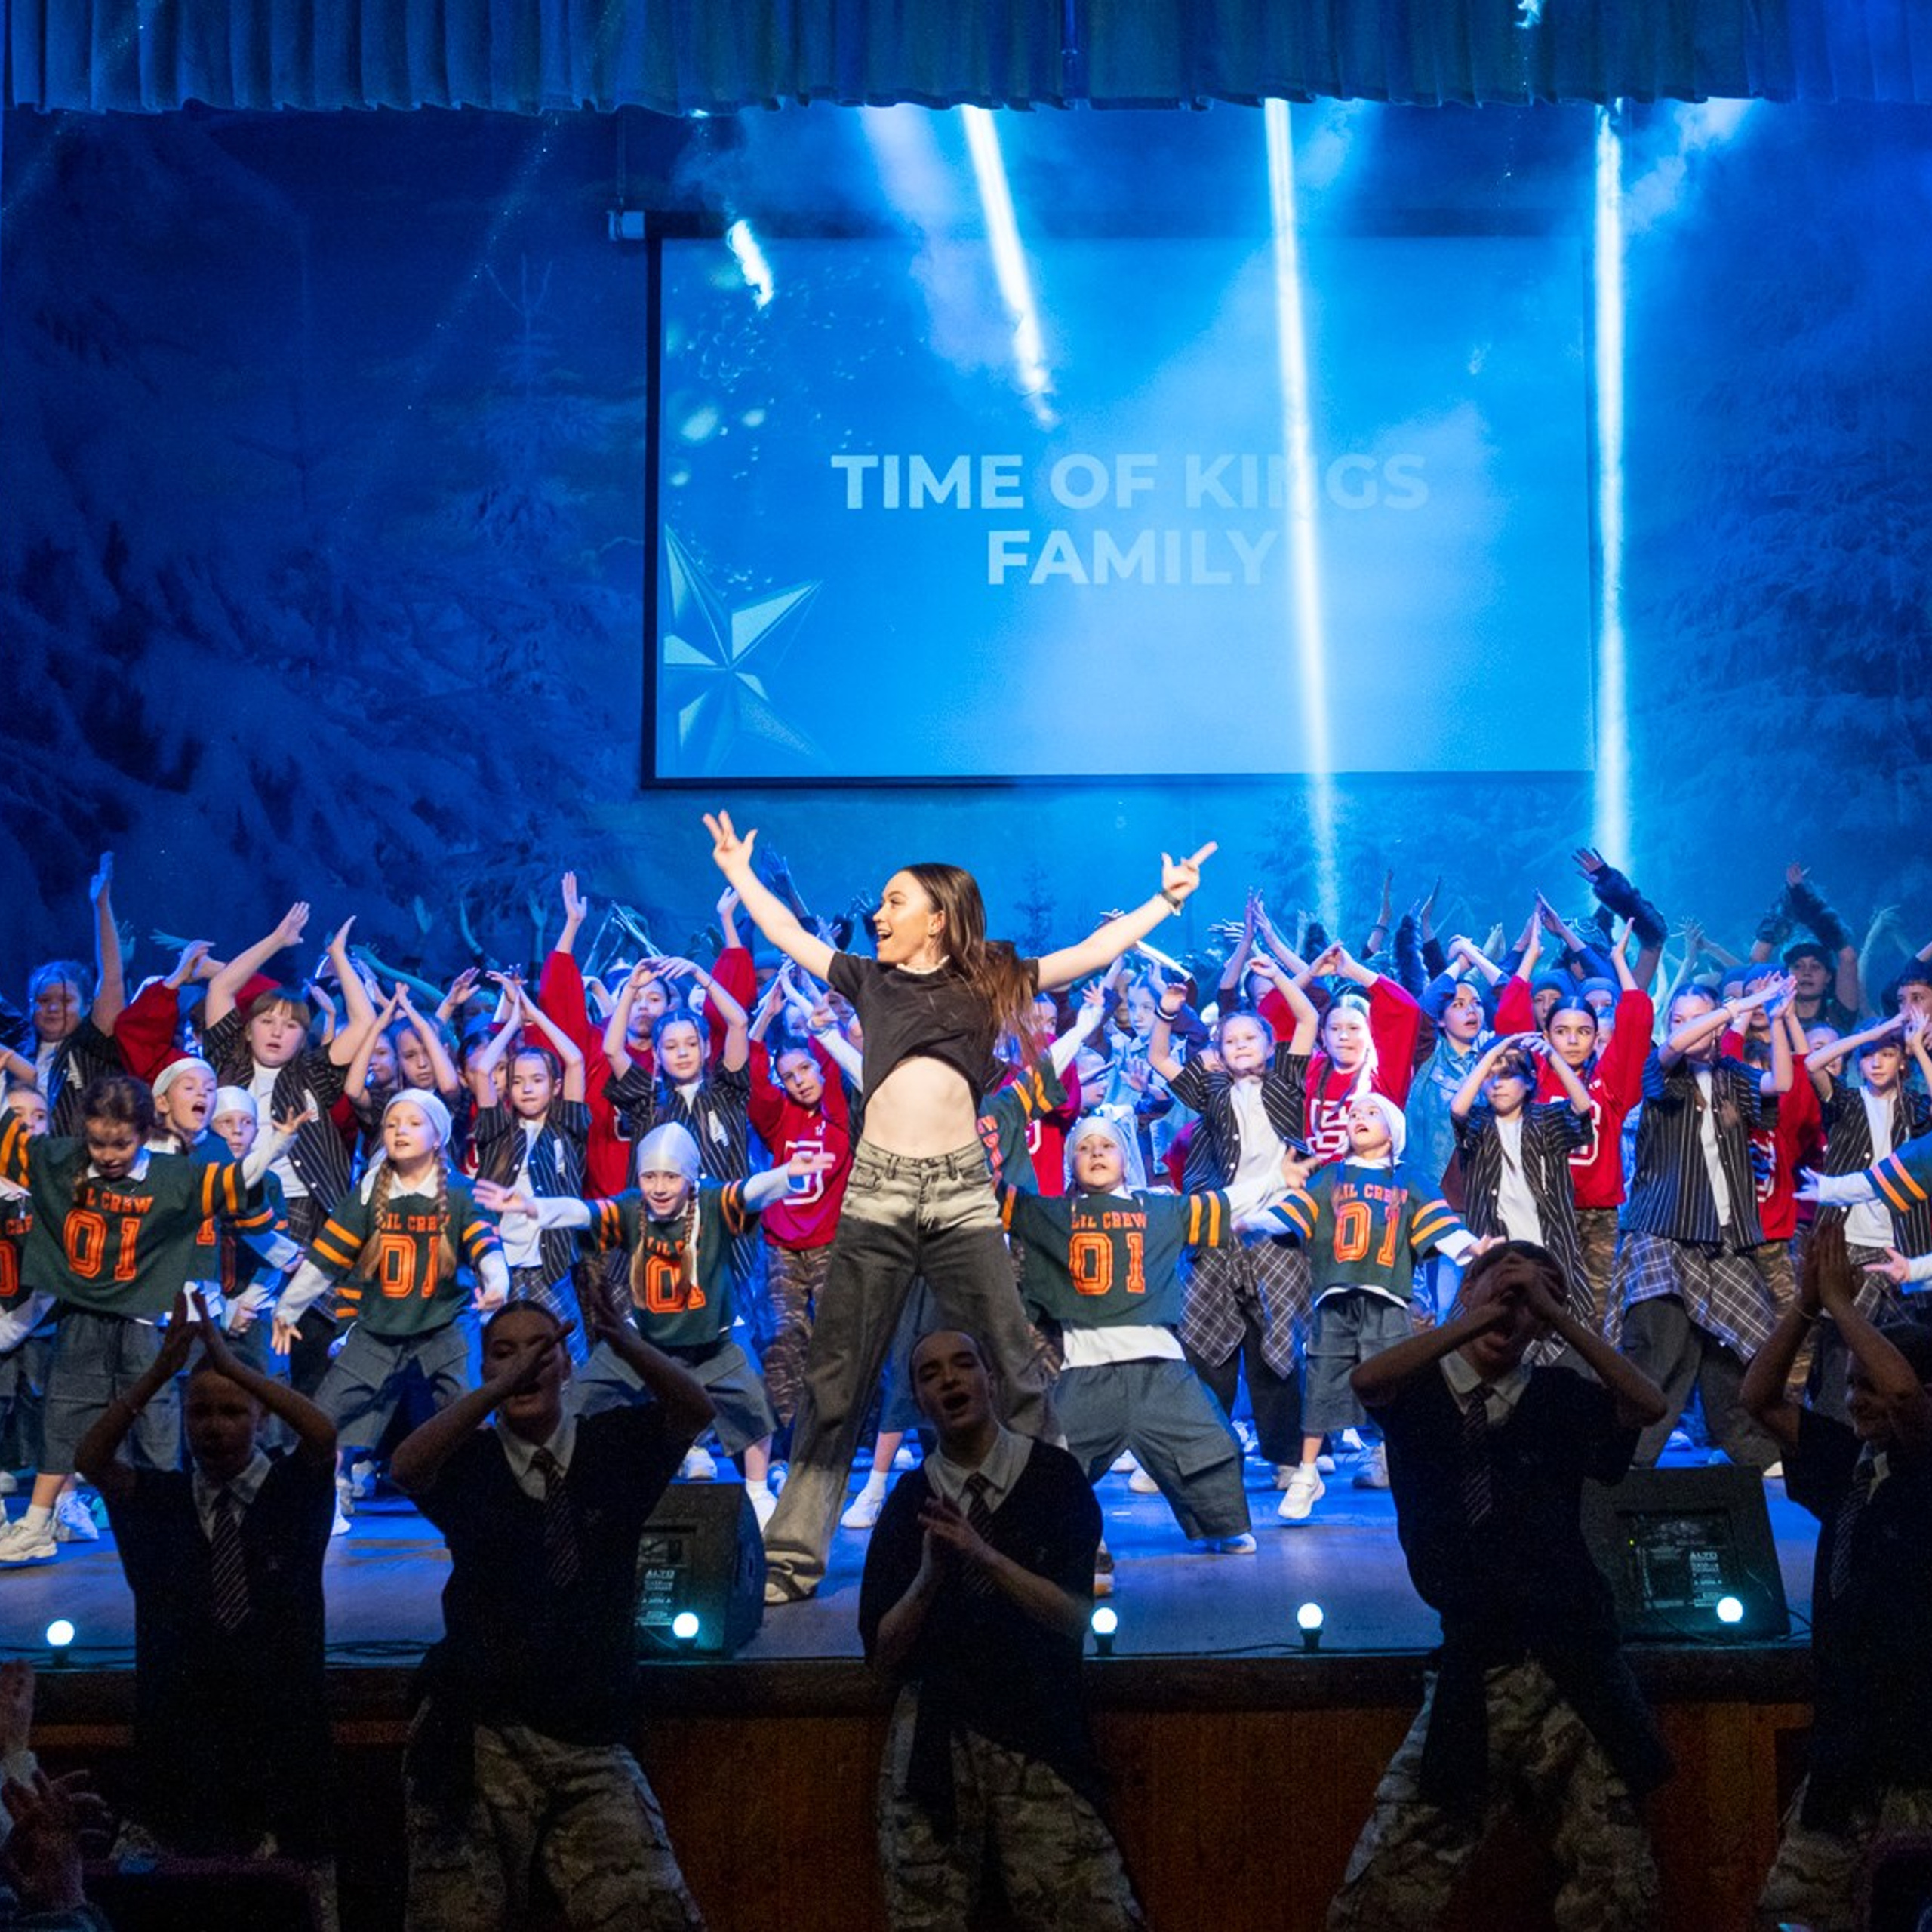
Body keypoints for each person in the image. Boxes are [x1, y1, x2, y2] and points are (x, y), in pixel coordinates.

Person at [703, 811, 1215, 1601]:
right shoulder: (867, 978)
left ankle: (1072, 1540)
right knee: (835, 1377)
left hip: (961, 1192)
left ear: (938, 916)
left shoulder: (990, 976)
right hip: (877, 1191)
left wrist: (1165, 900)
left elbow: (1086, 954)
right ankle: (792, 1557)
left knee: (1014, 1366)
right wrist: (740, 874)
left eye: (894, 901)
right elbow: (789, 936)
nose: (879, 914)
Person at [1328, 1242, 1672, 1930]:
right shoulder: (1422, 1390)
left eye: (1532, 1299)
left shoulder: (1559, 1397)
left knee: (1615, 1886)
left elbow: (1647, 1403)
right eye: (1500, 1290)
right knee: (1392, 1877)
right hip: (1476, 1660)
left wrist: (1554, 1316)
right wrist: (1480, 1314)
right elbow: (1368, 1381)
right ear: (1468, 1293)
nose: (1513, 1309)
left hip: (1573, 1657)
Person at [392, 1300, 715, 1932]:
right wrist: (495, 1392)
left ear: (567, 1365)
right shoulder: (471, 1462)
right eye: (504, 1352)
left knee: (652, 1913)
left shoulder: (613, 1446)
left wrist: (623, 1340)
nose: (526, 1363)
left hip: (589, 1733)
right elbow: (406, 1467)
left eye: (542, 1349)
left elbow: (695, 1410)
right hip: (480, 1733)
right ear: (485, 1369)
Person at [858, 1328, 1143, 1930]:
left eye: (964, 1364)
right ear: (918, 1399)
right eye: (931, 1373)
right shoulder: (911, 1501)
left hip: (1036, 1730)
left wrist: (984, 1556)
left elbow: (1074, 1618)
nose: (950, 1380)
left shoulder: (1053, 1478)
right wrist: (930, 1577)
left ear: (991, 1379)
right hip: (935, 1747)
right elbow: (882, 1656)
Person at [74, 1289, 337, 1896]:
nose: (214, 1427)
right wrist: (160, 1372)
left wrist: (231, 1363)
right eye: (200, 1413)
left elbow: (321, 1434)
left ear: (260, 1417)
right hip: (180, 1751)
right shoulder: (161, 1501)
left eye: (233, 1411)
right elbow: (92, 1458)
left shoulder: (290, 1492)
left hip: (283, 1748)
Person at [1742, 1220, 1932, 1932]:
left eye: (1868, 1387)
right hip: (1847, 1748)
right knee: (1794, 1912)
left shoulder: (1923, 1466)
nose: (1857, 1401)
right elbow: (1760, 1400)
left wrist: (1847, 1308)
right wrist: (1806, 1308)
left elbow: (1907, 1399)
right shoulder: (1853, 1466)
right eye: (1851, 1386)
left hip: (1917, 1755)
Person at [0, 1074, 260, 1566]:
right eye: (97, 1143)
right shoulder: (65, 1162)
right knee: (64, 1411)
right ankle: (38, 1521)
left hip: (145, 1317)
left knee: (156, 1421)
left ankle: (177, 1526)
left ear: (143, 1132)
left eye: (120, 1143)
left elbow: (236, 1187)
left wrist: (278, 1143)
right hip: (84, 1312)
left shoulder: (171, 1173)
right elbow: (10, 1145)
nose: (108, 1155)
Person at [1002, 1115, 1260, 1564]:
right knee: (1052, 1462)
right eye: (1084, 1148)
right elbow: (995, 1197)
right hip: (1087, 1370)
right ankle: (1070, 1539)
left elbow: (1224, 1203)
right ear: (1070, 1165)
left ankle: (1221, 1524)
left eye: (1107, 1146)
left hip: (1161, 1368)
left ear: (1126, 1160)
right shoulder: (1053, 1214)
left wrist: (1278, 1177)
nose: (1096, 1153)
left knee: (1214, 1446)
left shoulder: (1159, 1210)